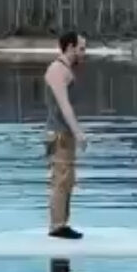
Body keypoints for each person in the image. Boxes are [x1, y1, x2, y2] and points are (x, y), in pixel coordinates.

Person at [44, 31, 87, 239]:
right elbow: (64, 105)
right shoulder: (57, 70)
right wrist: (78, 132)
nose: (84, 53)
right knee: (61, 179)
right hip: (59, 134)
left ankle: (62, 223)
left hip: (64, 133)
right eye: (81, 49)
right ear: (70, 47)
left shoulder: (65, 70)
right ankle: (57, 226)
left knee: (67, 179)